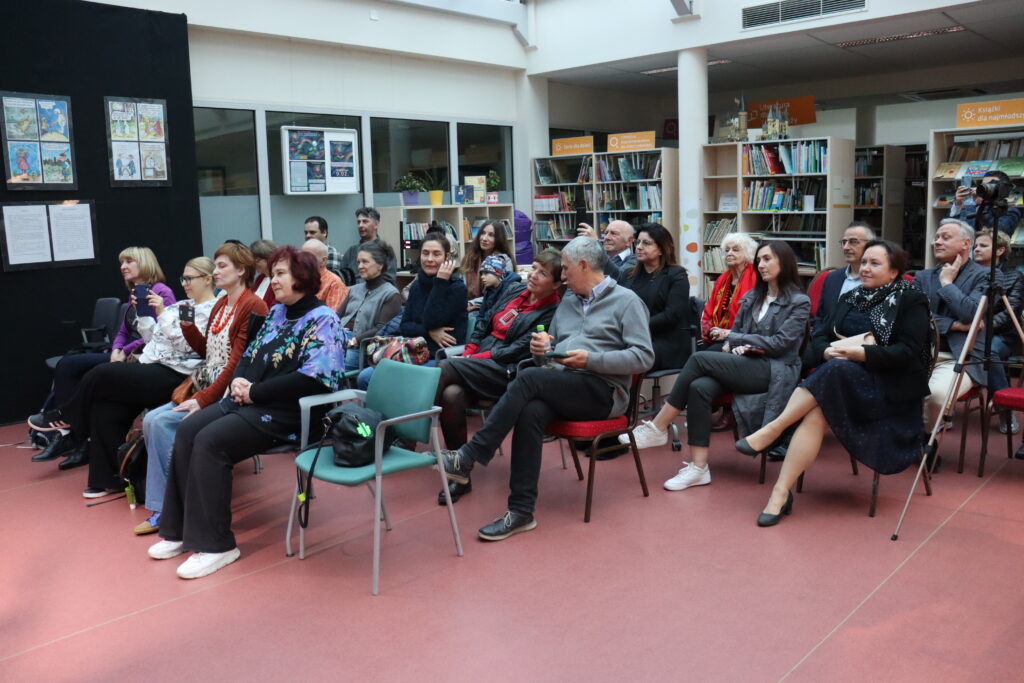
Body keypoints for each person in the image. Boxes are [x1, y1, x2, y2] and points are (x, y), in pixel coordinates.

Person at [147, 245, 345, 580]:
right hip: (252, 402)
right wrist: (240, 382)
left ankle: (216, 545)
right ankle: (181, 529)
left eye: (280, 273)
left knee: (211, 442)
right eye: (274, 272)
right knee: (187, 429)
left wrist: (255, 391)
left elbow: (316, 379)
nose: (273, 279)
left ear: (302, 277)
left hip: (291, 415)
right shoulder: (278, 313)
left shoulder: (324, 319)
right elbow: (250, 356)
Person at [437, 236, 654, 541]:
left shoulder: (627, 302)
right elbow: (547, 352)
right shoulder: (568, 301)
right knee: (531, 410)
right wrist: (541, 349)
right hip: (561, 383)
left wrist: (593, 359)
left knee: (527, 380)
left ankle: (470, 455)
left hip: (602, 391)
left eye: (565, 268)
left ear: (583, 265)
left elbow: (644, 356)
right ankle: (521, 511)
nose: (562, 275)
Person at [739, 241, 930, 526]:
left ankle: (774, 429)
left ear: (894, 272)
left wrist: (862, 354)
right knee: (821, 402)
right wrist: (827, 350)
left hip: (889, 389)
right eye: (864, 262)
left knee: (836, 371)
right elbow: (819, 336)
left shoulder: (910, 298)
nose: (865, 268)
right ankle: (779, 492)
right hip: (842, 381)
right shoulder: (850, 297)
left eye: (874, 263)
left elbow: (910, 353)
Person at [621, 241, 810, 492]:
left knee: (699, 359)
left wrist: (738, 340)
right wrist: (739, 344)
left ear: (784, 263)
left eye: (767, 259)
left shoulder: (799, 302)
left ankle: (659, 425)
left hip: (775, 369)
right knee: (700, 387)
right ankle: (699, 468)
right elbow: (739, 334)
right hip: (747, 362)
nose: (761, 265)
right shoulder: (753, 296)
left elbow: (781, 344)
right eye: (760, 260)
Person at [29, 258, 219, 498]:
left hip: (177, 374)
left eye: (189, 278)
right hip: (151, 365)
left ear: (207, 279)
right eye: (183, 278)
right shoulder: (183, 305)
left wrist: (161, 313)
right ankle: (110, 479)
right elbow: (153, 339)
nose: (185, 283)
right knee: (105, 405)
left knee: (101, 373)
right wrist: (144, 315)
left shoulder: (213, 309)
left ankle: (66, 418)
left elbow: (188, 345)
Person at [136, 243, 268, 536]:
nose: (216, 271)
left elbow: (237, 364)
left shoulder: (253, 305)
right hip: (208, 382)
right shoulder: (222, 304)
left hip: (227, 390)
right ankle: (165, 506)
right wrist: (187, 327)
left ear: (241, 271)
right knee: (151, 420)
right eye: (216, 266)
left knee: (162, 422)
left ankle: (173, 506)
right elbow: (207, 351)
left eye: (222, 266)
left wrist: (203, 400)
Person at [30, 247, 177, 469]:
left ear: (144, 263)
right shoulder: (136, 291)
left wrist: (125, 351)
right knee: (68, 365)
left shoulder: (161, 292)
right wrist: (117, 349)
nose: (123, 267)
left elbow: (160, 336)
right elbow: (123, 331)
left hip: (145, 358)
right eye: (121, 262)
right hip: (125, 354)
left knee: (82, 372)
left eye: (128, 261)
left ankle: (70, 431)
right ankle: (70, 433)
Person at [434, 249, 562, 504]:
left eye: (543, 273)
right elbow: (483, 322)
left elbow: (515, 351)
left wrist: (471, 360)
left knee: (446, 367)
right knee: (451, 394)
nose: (533, 275)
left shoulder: (552, 311)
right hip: (479, 363)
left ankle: (394, 427)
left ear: (557, 283)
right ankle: (461, 475)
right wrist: (470, 351)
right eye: (534, 268)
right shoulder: (516, 291)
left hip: (508, 372)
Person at [914, 218, 986, 439]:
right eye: (936, 237)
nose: (937, 242)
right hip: (921, 352)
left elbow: (971, 314)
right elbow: (915, 317)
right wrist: (953, 324)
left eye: (945, 237)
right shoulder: (923, 277)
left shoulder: (984, 276)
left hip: (962, 357)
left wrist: (947, 283)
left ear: (966, 244)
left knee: (935, 395)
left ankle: (928, 440)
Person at [972, 228, 1023, 435]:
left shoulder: (1014, 276)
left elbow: (1010, 312)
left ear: (1000, 250)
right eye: (975, 246)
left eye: (983, 246)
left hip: (999, 335)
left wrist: (980, 325)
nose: (976, 249)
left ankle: (1005, 409)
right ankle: (938, 408)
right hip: (967, 331)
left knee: (988, 351)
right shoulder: (968, 274)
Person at [619, 222, 690, 371]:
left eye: (646, 243)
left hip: (665, 342)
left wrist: (636, 327)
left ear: (661, 249)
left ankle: (628, 394)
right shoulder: (628, 275)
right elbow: (616, 306)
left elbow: (672, 316)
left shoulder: (676, 275)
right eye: (638, 242)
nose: (638, 247)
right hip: (630, 337)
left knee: (624, 357)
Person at [399, 231, 468, 358]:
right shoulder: (416, 286)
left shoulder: (457, 288)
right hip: (414, 351)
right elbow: (404, 326)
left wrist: (440, 283)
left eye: (436, 254)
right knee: (366, 376)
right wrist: (429, 332)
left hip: (441, 355)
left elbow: (431, 321)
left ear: (446, 257)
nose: (430, 259)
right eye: (425, 253)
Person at [339, 243, 403, 371]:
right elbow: (336, 317)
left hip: (362, 348)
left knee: (332, 367)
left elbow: (381, 329)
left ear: (380, 266)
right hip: (338, 339)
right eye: (358, 262)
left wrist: (355, 340)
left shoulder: (391, 294)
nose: (360, 267)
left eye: (365, 262)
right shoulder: (354, 290)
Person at [811, 221, 876, 337]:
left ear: (871, 245)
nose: (846, 247)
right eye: (844, 242)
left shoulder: (880, 280)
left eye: (853, 242)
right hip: (827, 345)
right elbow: (820, 318)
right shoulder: (832, 278)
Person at [700, 232, 758, 349]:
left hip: (741, 338)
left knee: (702, 356)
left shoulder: (755, 277)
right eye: (727, 250)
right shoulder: (723, 278)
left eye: (735, 250)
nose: (729, 253)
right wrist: (712, 330)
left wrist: (727, 332)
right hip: (716, 335)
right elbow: (709, 308)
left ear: (747, 254)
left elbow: (753, 316)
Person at [462, 219, 516, 305]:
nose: (484, 238)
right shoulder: (471, 257)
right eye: (483, 233)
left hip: (492, 307)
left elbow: (501, 295)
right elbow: (462, 287)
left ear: (498, 239)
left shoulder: (503, 261)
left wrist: (472, 303)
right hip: (467, 305)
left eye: (491, 235)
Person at [951, 170, 1022, 236]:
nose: (986, 189)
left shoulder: (1010, 211)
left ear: (1002, 189)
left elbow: (999, 232)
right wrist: (958, 204)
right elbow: (951, 229)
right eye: (984, 185)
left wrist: (983, 203)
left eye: (991, 185)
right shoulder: (971, 208)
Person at [338, 207, 397, 284]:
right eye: (358, 222)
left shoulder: (385, 250)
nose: (360, 225)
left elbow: (389, 279)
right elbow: (341, 277)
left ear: (376, 224)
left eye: (365, 222)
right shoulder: (351, 251)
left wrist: (358, 288)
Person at [301, 238, 348, 311]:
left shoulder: (334, 283)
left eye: (308, 257)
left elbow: (331, 318)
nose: (303, 260)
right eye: (302, 256)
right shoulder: (298, 279)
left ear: (323, 261)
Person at [303, 216, 344, 280]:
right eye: (306, 233)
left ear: (324, 233)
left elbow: (327, 281)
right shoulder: (301, 254)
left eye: (312, 232)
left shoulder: (331, 254)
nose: (307, 235)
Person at [249, 239, 278, 308]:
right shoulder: (260, 278)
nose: (253, 264)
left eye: (257, 260)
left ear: (269, 258)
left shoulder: (277, 280)